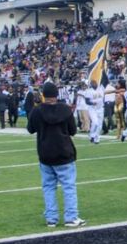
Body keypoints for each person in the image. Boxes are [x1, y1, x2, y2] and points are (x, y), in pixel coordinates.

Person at [26, 81, 85, 228]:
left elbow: (30, 129)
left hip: (45, 154)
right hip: (64, 152)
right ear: (56, 95)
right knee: (69, 186)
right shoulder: (65, 109)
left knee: (48, 187)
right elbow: (73, 130)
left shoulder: (37, 110)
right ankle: (71, 217)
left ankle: (51, 218)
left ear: (44, 95)